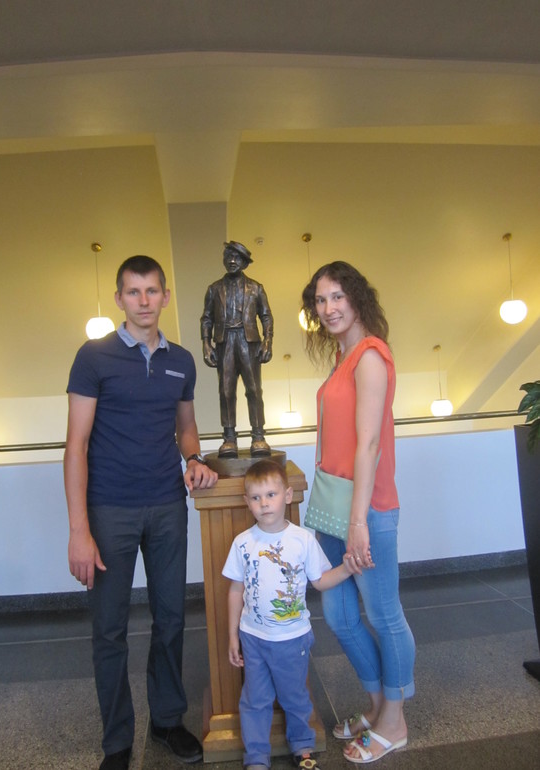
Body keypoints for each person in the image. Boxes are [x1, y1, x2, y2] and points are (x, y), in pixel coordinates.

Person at [64, 255, 218, 770]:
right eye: (134, 292)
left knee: (171, 617)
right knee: (110, 629)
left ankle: (167, 720)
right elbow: (75, 445)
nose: (144, 301)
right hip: (110, 510)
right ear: (119, 299)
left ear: (165, 296)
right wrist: (79, 530)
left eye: (152, 291)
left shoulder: (182, 360)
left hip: (168, 505)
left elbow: (186, 427)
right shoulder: (94, 357)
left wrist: (194, 459)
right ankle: (116, 742)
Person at [300, 261, 415, 764]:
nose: (328, 308)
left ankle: (395, 719)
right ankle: (376, 704)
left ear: (357, 298)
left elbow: (369, 444)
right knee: (340, 615)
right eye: (320, 300)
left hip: (366, 511)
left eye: (337, 296)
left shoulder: (370, 356)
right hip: (332, 507)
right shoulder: (342, 358)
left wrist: (358, 521)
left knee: (384, 614)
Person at [222, 459, 356, 770]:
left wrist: (346, 569)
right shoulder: (243, 543)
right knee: (254, 700)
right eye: (256, 497)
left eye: (270, 495)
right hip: (253, 638)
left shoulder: (302, 540)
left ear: (287, 495)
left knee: (295, 696)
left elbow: (320, 581)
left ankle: (303, 747)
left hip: (292, 639)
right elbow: (235, 591)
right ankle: (256, 757)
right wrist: (232, 635)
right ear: (247, 501)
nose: (264, 504)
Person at [201, 240, 274, 458]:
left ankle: (258, 435)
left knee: (254, 389)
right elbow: (206, 318)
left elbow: (266, 316)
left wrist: (268, 340)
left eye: (237, 258)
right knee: (226, 391)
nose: (232, 261)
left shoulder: (256, 288)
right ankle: (229, 438)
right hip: (224, 342)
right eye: (228, 257)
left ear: (244, 263)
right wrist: (206, 343)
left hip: (248, 341)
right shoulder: (214, 289)